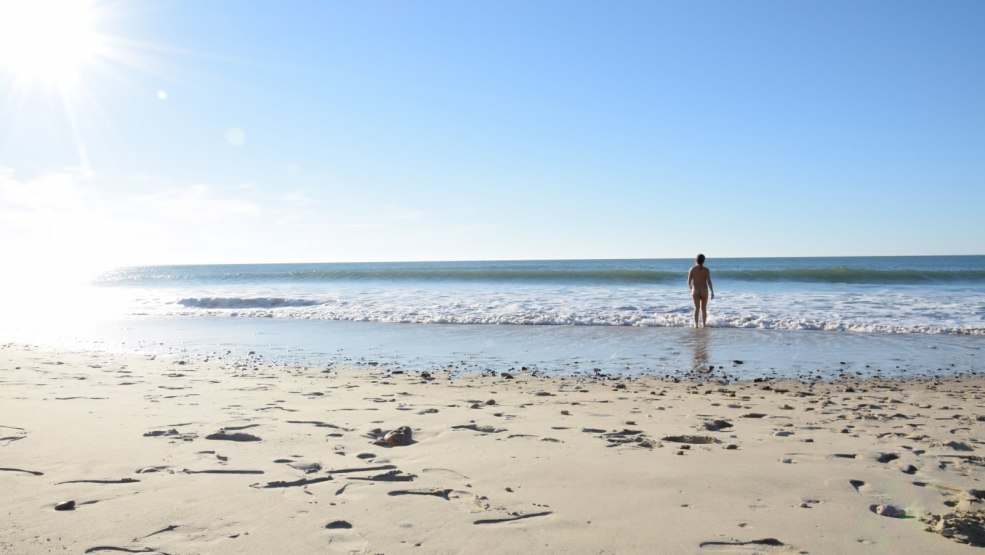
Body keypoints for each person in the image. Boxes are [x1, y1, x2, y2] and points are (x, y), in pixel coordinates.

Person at [687, 254, 714, 327]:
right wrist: (712, 291)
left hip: (695, 290)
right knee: (703, 308)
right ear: (703, 261)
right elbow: (709, 281)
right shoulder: (706, 270)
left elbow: (689, 282)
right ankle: (704, 324)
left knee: (696, 308)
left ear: (696, 260)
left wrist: (691, 287)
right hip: (704, 290)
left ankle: (696, 325)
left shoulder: (692, 269)